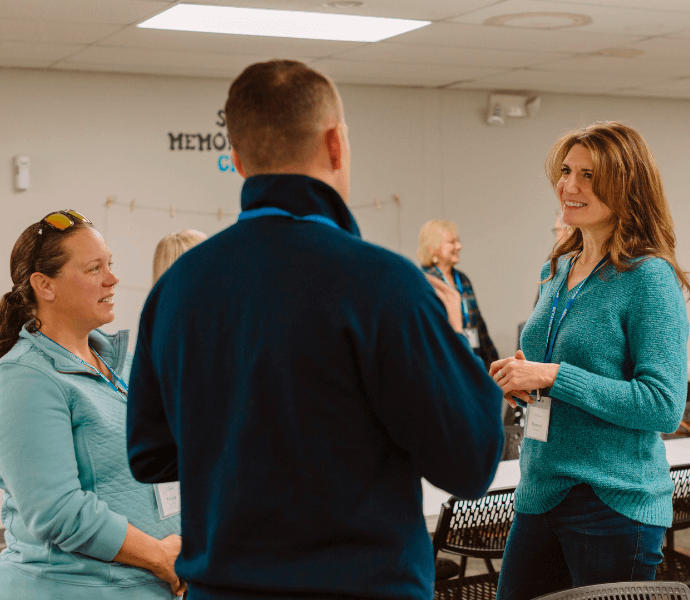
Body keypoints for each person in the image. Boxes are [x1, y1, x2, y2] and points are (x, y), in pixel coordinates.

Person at [125, 60, 504, 600]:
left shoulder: (176, 289)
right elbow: (470, 462)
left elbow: (151, 454)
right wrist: (453, 338)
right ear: (336, 145)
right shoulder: (384, 285)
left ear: (235, 160)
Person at [491, 122, 690, 599]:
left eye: (588, 175)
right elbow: (555, 367)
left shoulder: (648, 278)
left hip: (613, 501)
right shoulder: (557, 267)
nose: (569, 186)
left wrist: (555, 376)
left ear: (627, 186)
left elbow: (663, 406)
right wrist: (524, 375)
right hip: (540, 489)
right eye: (565, 171)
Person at [0, 210, 184, 599]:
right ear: (44, 285)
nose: (112, 279)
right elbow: (57, 511)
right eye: (94, 269)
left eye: (110, 265)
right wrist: (160, 556)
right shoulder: (25, 377)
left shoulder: (124, 364)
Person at [418, 220, 498, 370]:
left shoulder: (463, 279)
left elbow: (479, 325)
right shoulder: (425, 282)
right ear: (433, 247)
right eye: (452, 242)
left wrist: (493, 362)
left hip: (473, 360)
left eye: (458, 241)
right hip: (446, 366)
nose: (459, 246)